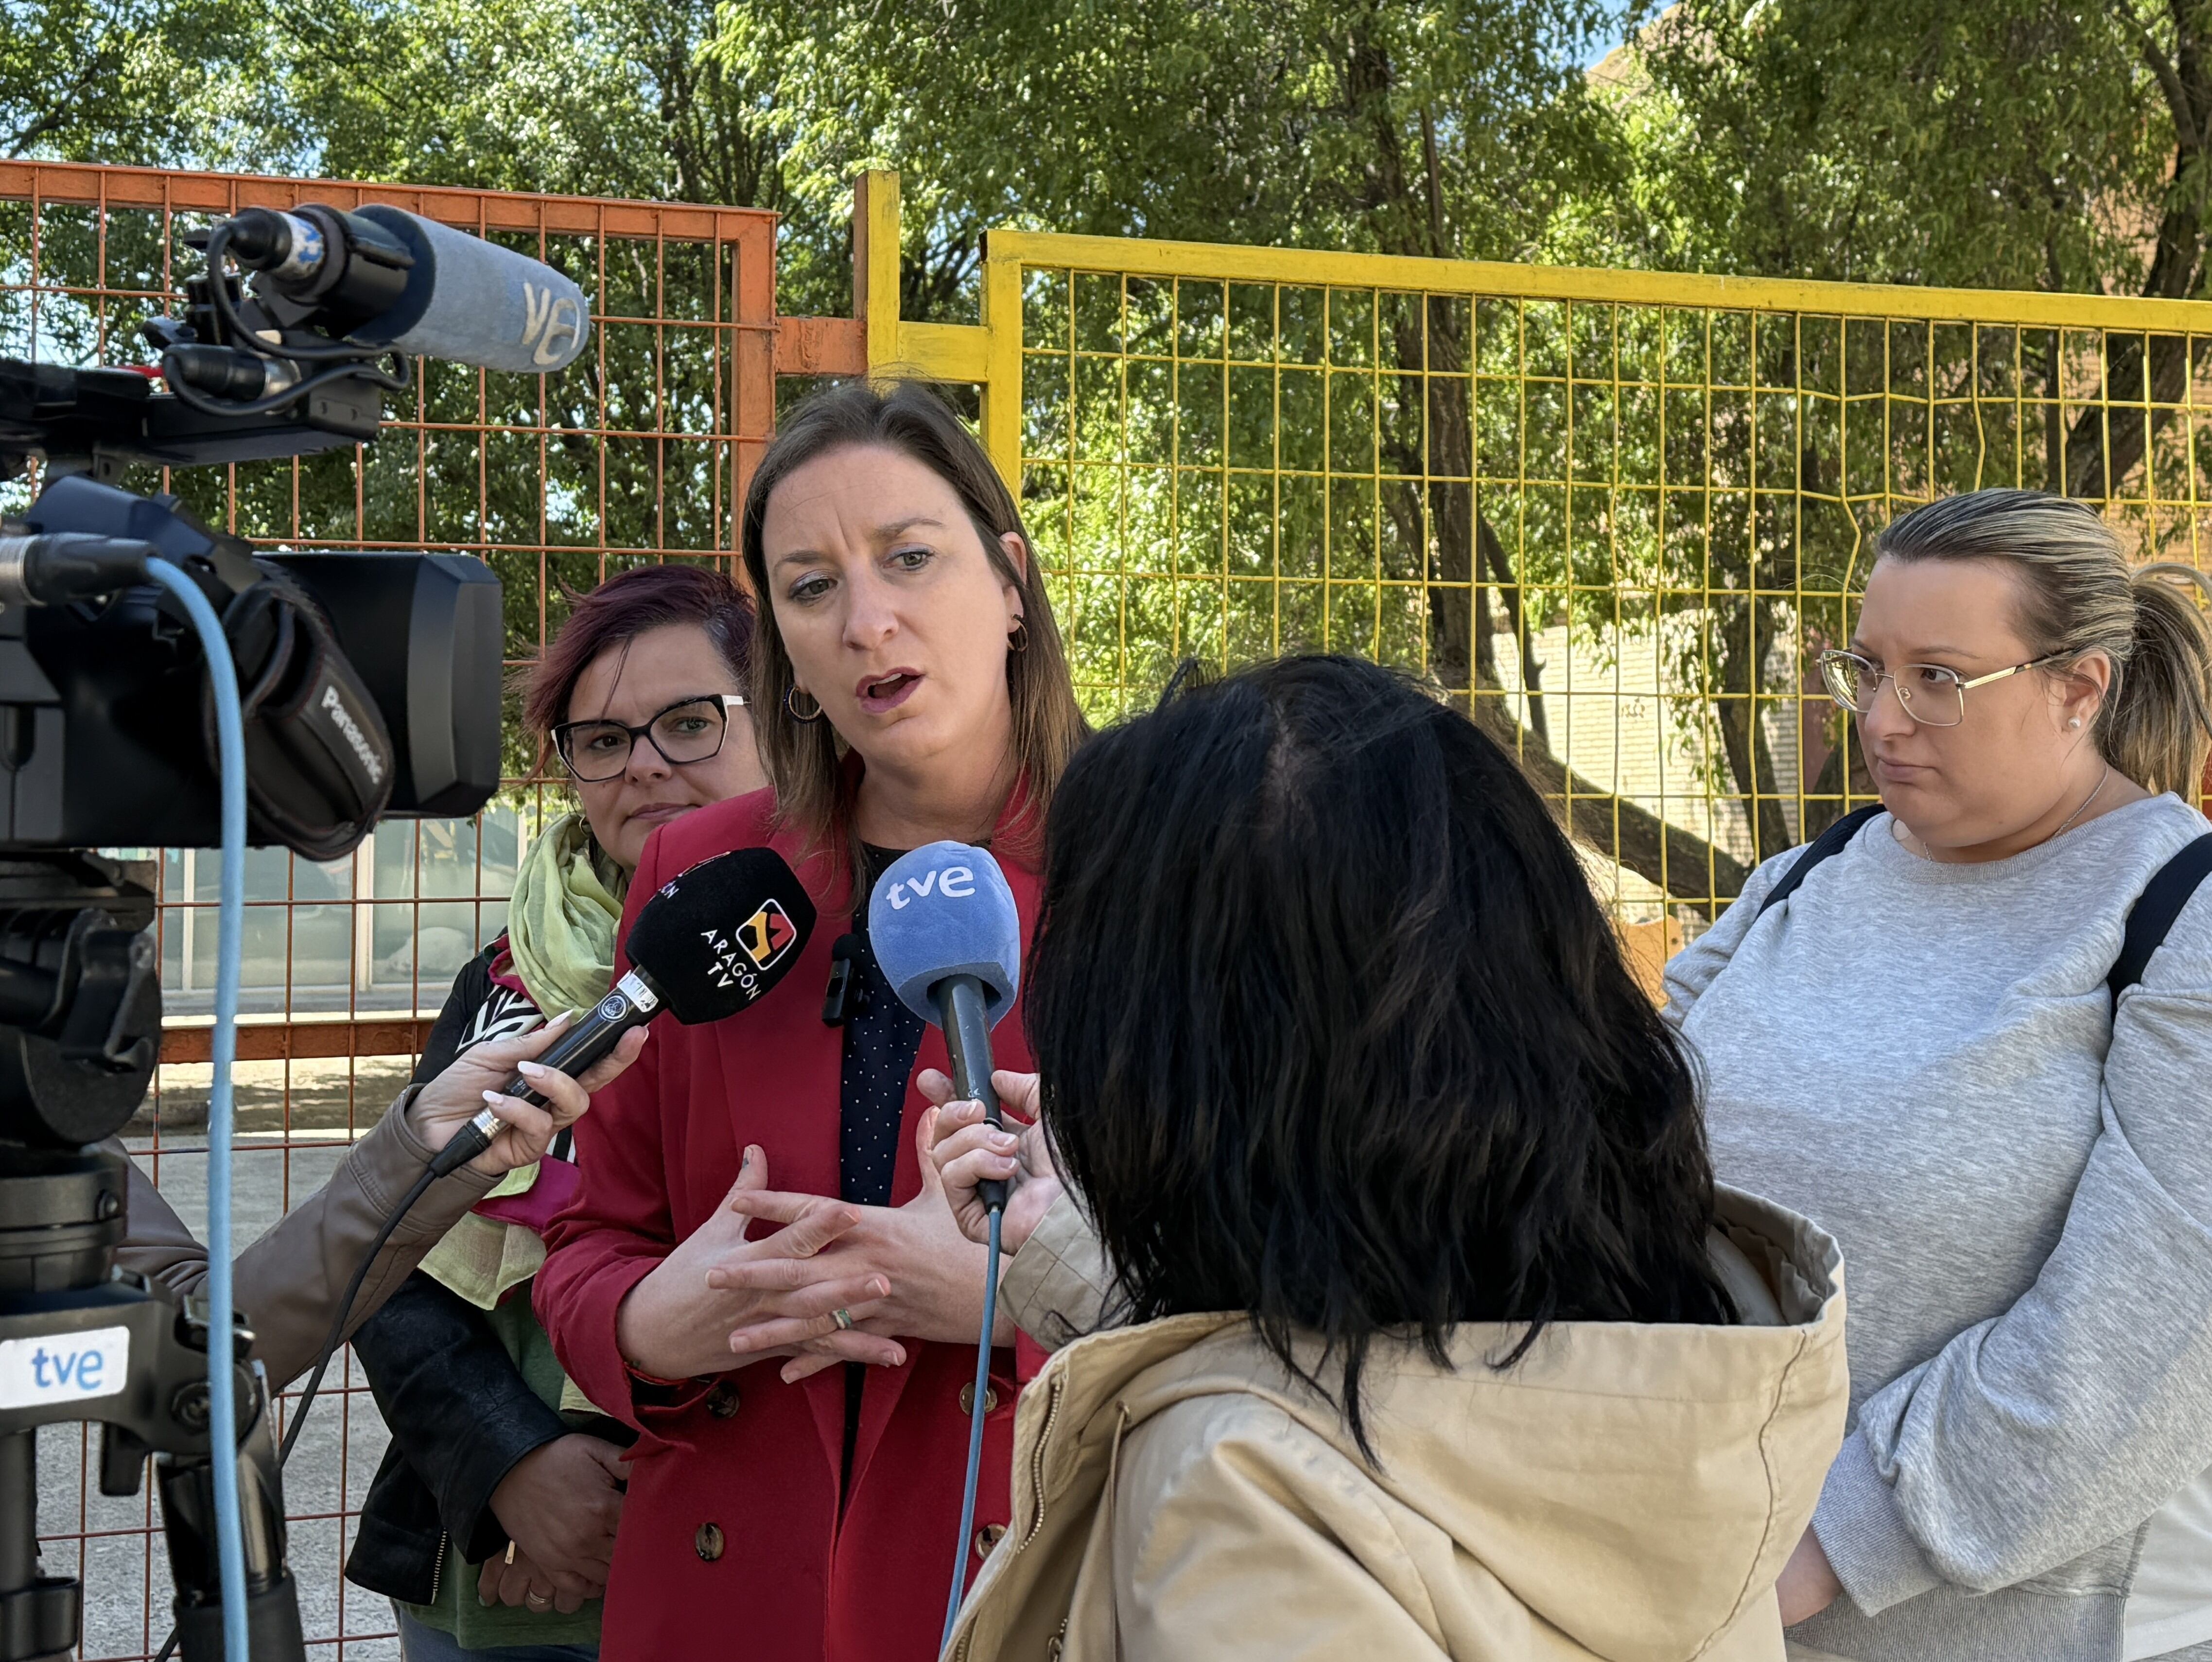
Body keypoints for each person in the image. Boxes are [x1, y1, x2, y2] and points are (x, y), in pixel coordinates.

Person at [916, 653, 1851, 1662]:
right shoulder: (1665, 1351)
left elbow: (1315, 1435)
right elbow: (1391, 1400)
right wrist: (1076, 1244)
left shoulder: (1230, 1494)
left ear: (1176, 1061)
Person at [532, 382, 1090, 1662]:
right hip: (724, 1595)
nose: (867, 619)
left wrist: (1021, 1293)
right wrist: (645, 1324)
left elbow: (1270, 1260)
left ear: (1010, 581)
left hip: (1030, 1581)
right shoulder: (702, 873)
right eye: (809, 585)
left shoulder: (1169, 867)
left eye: (908, 557)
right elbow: (587, 1239)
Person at [1664, 489, 2212, 1662]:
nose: (1882, 718)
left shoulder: (2176, 919)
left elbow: (2138, 1341)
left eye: (1938, 679)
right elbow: (1602, 1110)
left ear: (2079, 689)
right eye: (1864, 669)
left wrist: (1808, 1559)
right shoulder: (1805, 877)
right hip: (1692, 1587)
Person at [342, 564, 768, 1662]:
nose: (645, 769)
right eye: (602, 740)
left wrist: (610, 1474)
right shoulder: (507, 976)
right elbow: (391, 1260)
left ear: (784, 722)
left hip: (738, 1545)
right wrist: (511, 1468)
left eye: (688, 724)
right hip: (489, 1570)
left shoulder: (851, 966)